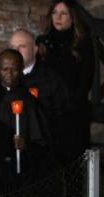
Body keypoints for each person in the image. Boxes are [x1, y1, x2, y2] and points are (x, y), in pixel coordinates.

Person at [0, 49, 52, 189]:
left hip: (19, 170)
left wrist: (26, 145)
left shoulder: (29, 101)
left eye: (14, 70)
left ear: (22, 69)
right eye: (5, 69)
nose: (9, 75)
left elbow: (42, 141)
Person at [37, 0, 93, 162]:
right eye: (55, 12)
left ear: (72, 17)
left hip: (73, 107)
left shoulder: (81, 43)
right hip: (49, 106)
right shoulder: (44, 42)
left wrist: (71, 103)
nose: (58, 17)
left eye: (63, 13)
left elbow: (86, 79)